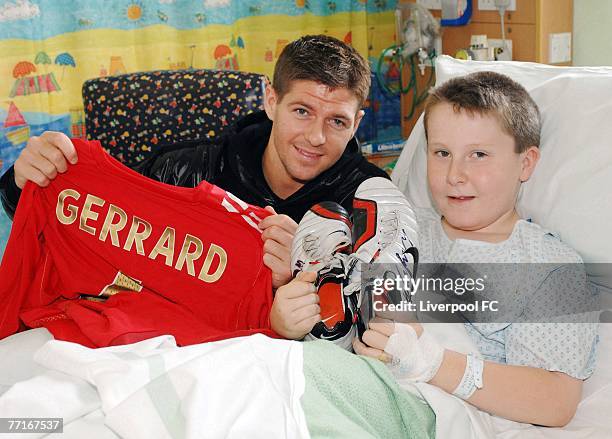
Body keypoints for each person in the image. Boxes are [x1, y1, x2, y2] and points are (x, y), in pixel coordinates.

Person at [0, 35, 388, 339]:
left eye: (337, 121)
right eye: (302, 111)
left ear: (357, 123)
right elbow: (73, 228)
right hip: (163, 352)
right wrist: (25, 180)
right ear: (271, 101)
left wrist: (308, 272)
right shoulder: (180, 170)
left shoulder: (371, 198)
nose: (316, 137)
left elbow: (392, 315)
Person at [353, 71, 598, 427]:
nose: (455, 174)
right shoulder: (399, 226)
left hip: (430, 412)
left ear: (525, 163)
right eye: (442, 153)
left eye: (479, 154)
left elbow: (554, 401)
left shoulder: (549, 268)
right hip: (352, 374)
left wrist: (433, 361)